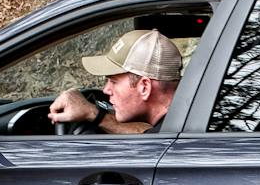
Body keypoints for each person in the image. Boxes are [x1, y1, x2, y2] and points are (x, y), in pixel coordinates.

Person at [48, 28, 183, 134]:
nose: (106, 90)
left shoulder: (171, 139)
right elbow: (150, 135)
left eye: (113, 81)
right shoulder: (184, 122)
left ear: (144, 87)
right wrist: (93, 114)